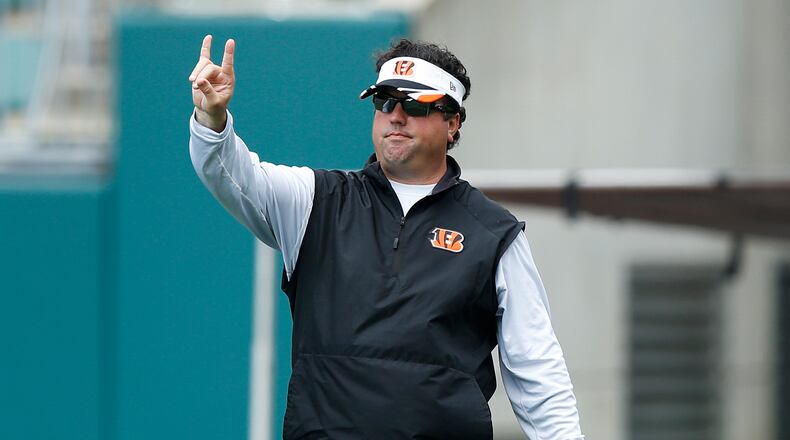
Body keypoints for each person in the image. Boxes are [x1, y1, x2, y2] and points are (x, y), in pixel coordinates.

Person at [188, 34, 584, 440]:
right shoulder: (315, 200)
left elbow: (537, 369)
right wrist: (212, 120)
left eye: (414, 104)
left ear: (452, 123)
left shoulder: (495, 233)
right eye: (384, 101)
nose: (396, 115)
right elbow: (232, 176)